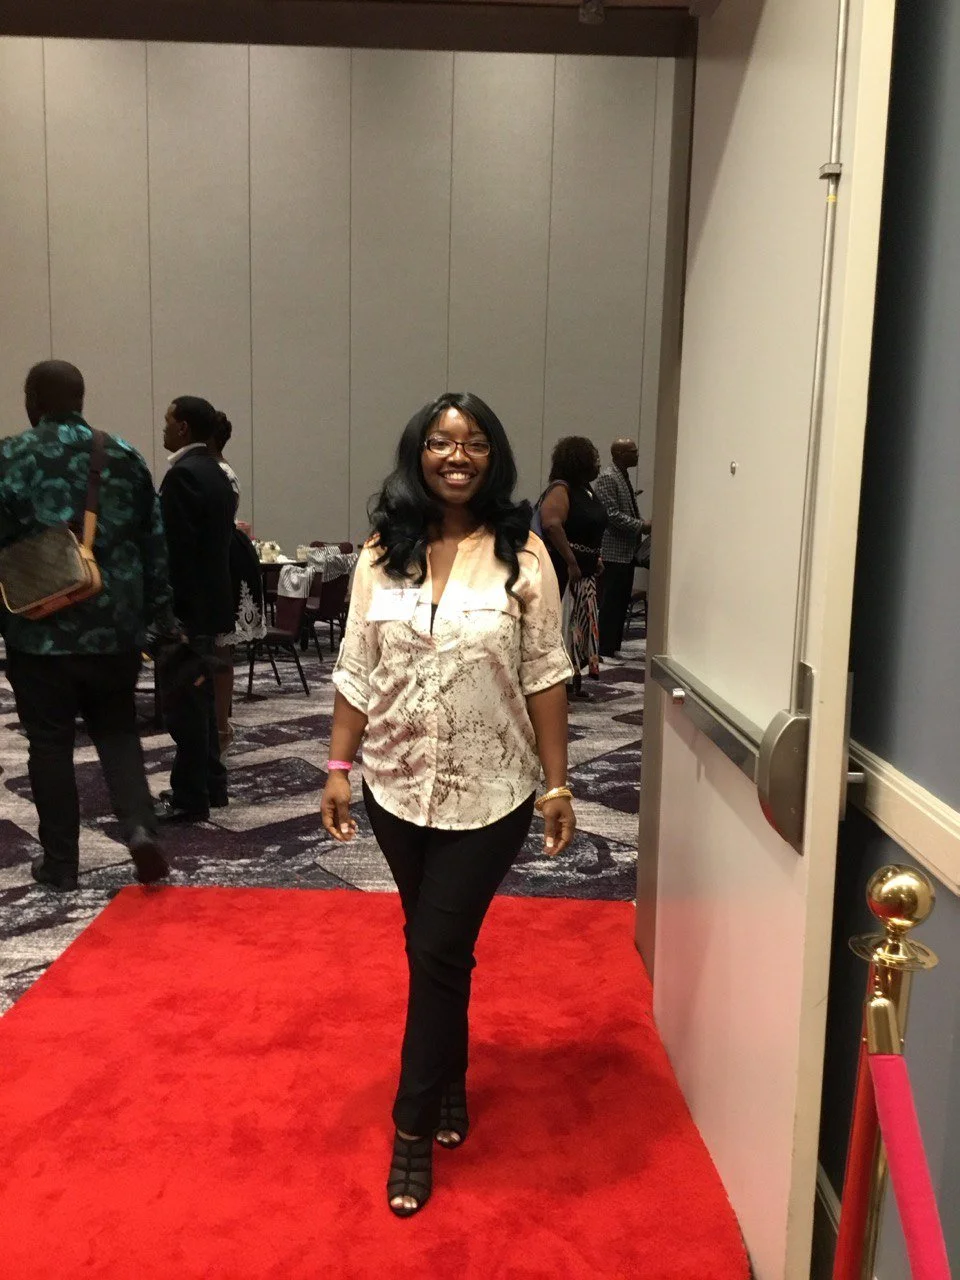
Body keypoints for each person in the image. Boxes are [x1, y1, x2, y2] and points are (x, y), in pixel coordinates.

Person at [320, 392, 576, 1218]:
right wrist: (338, 765)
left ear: (494, 457)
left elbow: (546, 674)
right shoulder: (380, 554)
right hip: (395, 785)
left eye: (473, 444)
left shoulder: (522, 556)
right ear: (418, 453)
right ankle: (453, 1078)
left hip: (491, 790)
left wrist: (558, 782)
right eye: (439, 441)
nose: (456, 456)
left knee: (433, 950)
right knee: (440, 953)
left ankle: (411, 1126)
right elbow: (357, 668)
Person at [0, 361, 171, 889]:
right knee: (117, 731)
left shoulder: (9, 456)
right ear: (81, 398)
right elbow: (154, 543)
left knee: (49, 743)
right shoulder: (122, 454)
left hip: (37, 630)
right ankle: (140, 829)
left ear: (33, 400)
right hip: (113, 628)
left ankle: (61, 864)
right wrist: (158, 614)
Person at [156, 396, 236, 823]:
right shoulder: (216, 471)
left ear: (183, 427)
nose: (164, 428)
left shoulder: (183, 475)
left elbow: (177, 554)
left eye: (168, 421)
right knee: (201, 702)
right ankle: (212, 783)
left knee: (185, 706)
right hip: (211, 603)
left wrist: (173, 616)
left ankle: (190, 796)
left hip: (188, 609)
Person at [208, 409, 266, 755]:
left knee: (221, 649)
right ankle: (216, 722)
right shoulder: (217, 468)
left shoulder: (218, 472)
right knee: (217, 650)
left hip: (224, 557)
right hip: (227, 552)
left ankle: (220, 725)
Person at [536, 436, 608, 698]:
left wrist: (595, 558)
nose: (598, 464)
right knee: (565, 627)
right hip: (565, 572)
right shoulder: (561, 489)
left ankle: (573, 680)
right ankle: (559, 686)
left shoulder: (586, 490)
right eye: (593, 459)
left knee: (579, 628)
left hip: (584, 572)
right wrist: (571, 561)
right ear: (579, 461)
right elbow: (552, 524)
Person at [594, 438, 651, 658]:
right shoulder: (609, 478)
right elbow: (611, 515)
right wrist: (641, 525)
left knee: (620, 602)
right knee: (611, 603)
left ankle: (614, 646)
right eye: (632, 452)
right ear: (619, 454)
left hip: (625, 552)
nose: (637, 455)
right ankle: (605, 649)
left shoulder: (622, 476)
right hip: (613, 552)